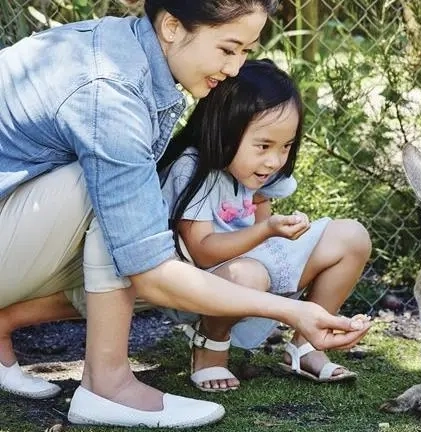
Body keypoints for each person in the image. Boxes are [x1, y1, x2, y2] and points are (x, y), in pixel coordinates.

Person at [0, 0, 372, 428]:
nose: (235, 69)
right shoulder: (112, 88)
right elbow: (149, 270)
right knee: (119, 204)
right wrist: (293, 312)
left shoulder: (131, 51)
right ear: (173, 26)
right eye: (228, 49)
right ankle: (108, 386)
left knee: (144, 226)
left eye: (246, 52)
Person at [157, 59, 371, 392]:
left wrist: (281, 228)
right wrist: (268, 229)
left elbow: (261, 224)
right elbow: (203, 252)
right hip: (203, 283)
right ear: (226, 130)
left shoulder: (254, 171)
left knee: (352, 237)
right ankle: (210, 348)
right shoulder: (194, 170)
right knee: (250, 274)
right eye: (264, 146)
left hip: (256, 269)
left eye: (285, 146)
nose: (275, 160)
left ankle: (307, 347)